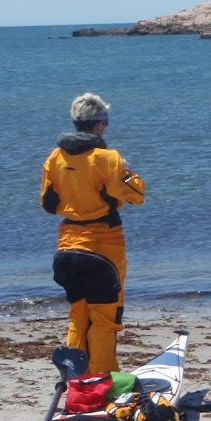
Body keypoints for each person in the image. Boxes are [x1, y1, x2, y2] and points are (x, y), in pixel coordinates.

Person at [41, 93, 146, 373]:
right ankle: (103, 378)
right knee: (105, 318)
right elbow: (136, 194)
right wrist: (127, 172)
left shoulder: (55, 157)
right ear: (99, 124)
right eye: (106, 122)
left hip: (67, 247)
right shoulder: (108, 158)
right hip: (104, 246)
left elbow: (47, 203)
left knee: (79, 316)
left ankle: (76, 377)